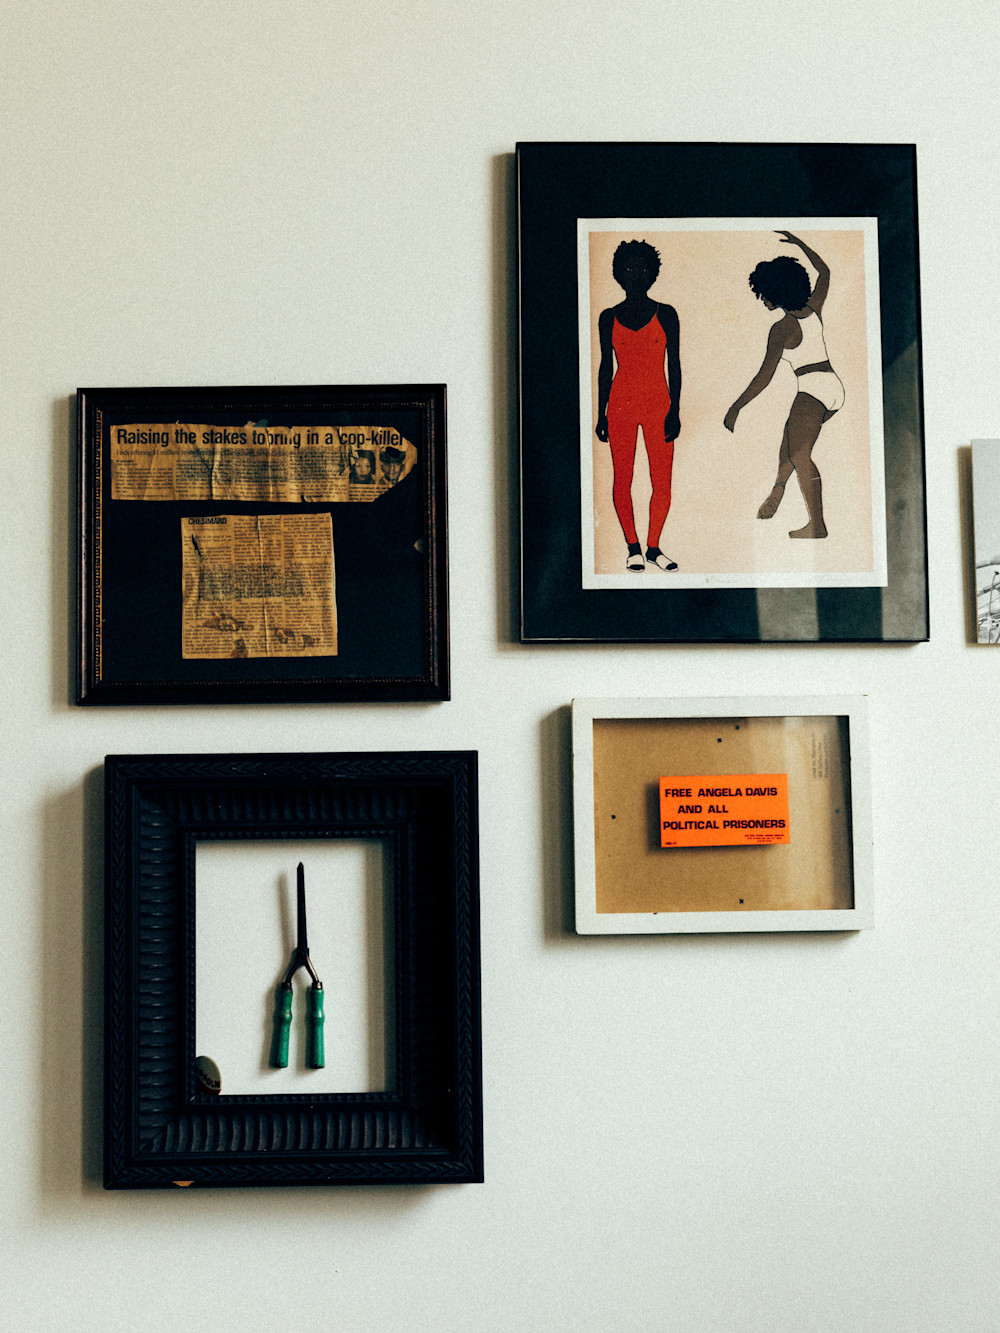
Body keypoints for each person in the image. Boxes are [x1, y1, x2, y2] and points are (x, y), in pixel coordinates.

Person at [723, 231, 844, 538]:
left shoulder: (782, 328)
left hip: (813, 389)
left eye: (764, 294)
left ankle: (817, 526)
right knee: (791, 439)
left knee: (800, 454)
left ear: (776, 292)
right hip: (833, 387)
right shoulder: (813, 307)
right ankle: (778, 488)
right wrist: (801, 244)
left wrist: (736, 407)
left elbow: (764, 377)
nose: (762, 300)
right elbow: (825, 272)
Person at [595, 239, 682, 571]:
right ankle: (633, 547)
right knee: (623, 478)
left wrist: (675, 410)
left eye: (642, 268)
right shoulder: (608, 317)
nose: (636, 273)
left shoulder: (667, 314)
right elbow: (606, 367)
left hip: (659, 403)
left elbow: (674, 365)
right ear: (619, 273)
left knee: (662, 480)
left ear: (652, 273)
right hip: (620, 405)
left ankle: (654, 548)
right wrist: (601, 412)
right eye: (629, 267)